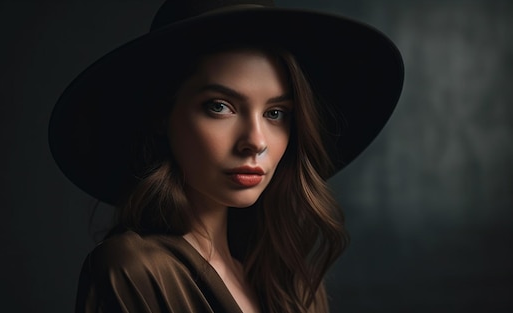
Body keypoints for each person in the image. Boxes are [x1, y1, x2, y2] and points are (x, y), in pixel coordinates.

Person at [48, 0, 404, 312]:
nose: (255, 141)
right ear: (162, 116)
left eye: (276, 113)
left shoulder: (292, 285)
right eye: (220, 107)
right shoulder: (132, 271)